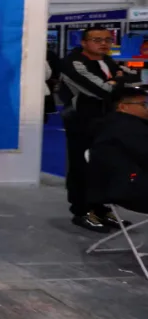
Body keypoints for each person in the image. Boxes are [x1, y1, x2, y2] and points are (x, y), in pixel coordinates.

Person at [59, 26, 130, 232]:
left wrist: (118, 80)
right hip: (82, 122)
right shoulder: (74, 63)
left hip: (108, 121)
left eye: (107, 40)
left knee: (104, 166)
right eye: (97, 40)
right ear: (84, 42)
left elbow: (132, 80)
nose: (103, 44)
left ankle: (100, 208)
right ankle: (82, 211)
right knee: (81, 166)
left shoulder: (108, 61)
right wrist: (119, 79)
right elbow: (103, 90)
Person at [90, 87, 148, 216]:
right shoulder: (128, 128)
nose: (146, 108)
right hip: (131, 190)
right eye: (143, 104)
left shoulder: (116, 124)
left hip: (122, 185)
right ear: (123, 107)